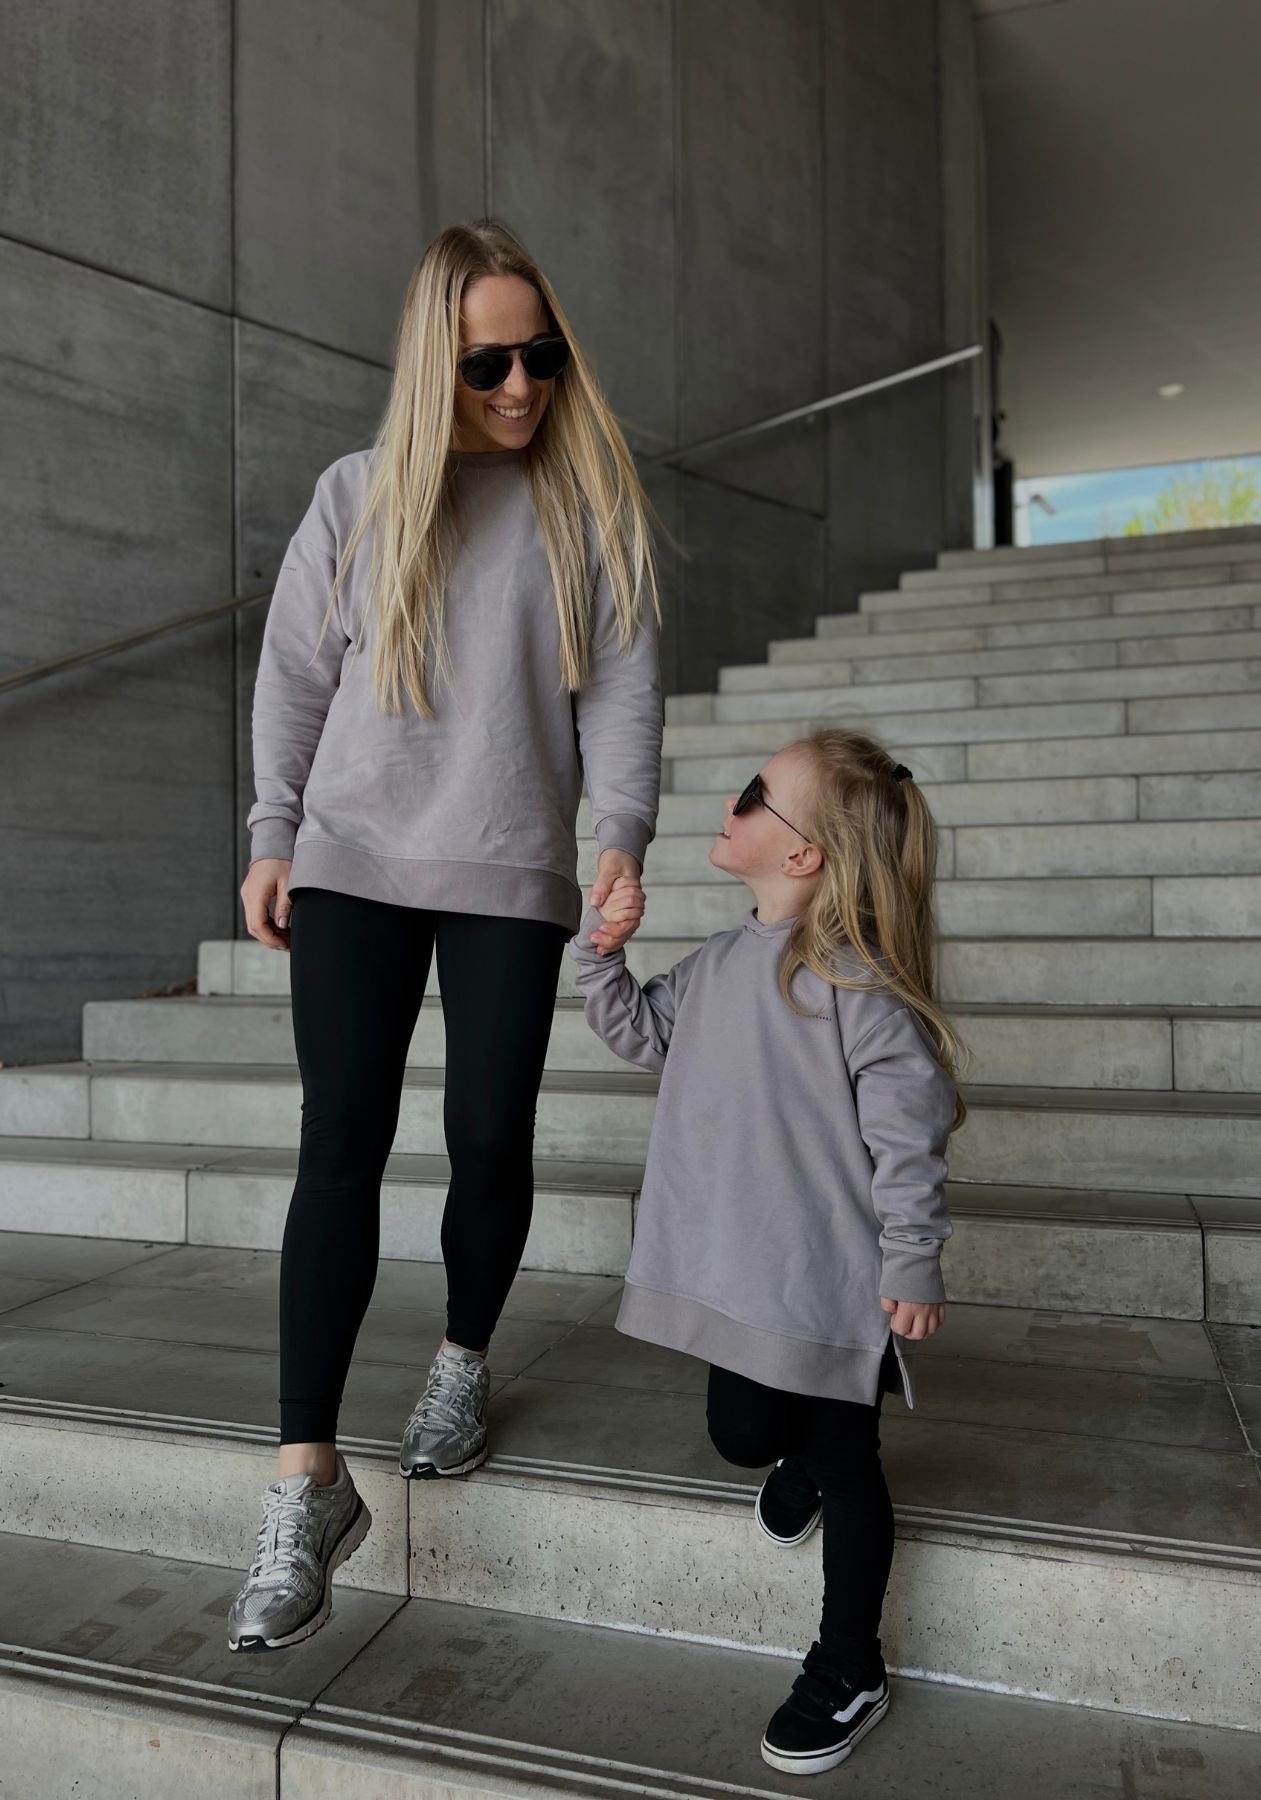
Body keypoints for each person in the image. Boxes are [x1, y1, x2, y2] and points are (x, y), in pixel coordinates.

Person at [227, 219, 663, 1653]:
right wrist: (273, 833)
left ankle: (463, 1356)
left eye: (542, 355)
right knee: (338, 1141)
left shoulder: (585, 506)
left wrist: (619, 836)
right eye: (487, 364)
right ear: (436, 362)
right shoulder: (355, 494)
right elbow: (294, 678)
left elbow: (621, 691)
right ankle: (305, 1479)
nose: (521, 386)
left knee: (487, 1134)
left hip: (509, 858)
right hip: (353, 854)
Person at [567, 727, 968, 1774]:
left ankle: (848, 1665)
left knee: (848, 1464)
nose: (730, 804)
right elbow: (643, 1034)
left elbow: (908, 1140)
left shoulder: (860, 988)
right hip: (743, 1276)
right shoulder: (719, 962)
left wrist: (910, 1261)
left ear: (801, 853)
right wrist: (601, 951)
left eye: (753, 794)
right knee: (741, 1434)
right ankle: (797, 1463)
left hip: (833, 1285)